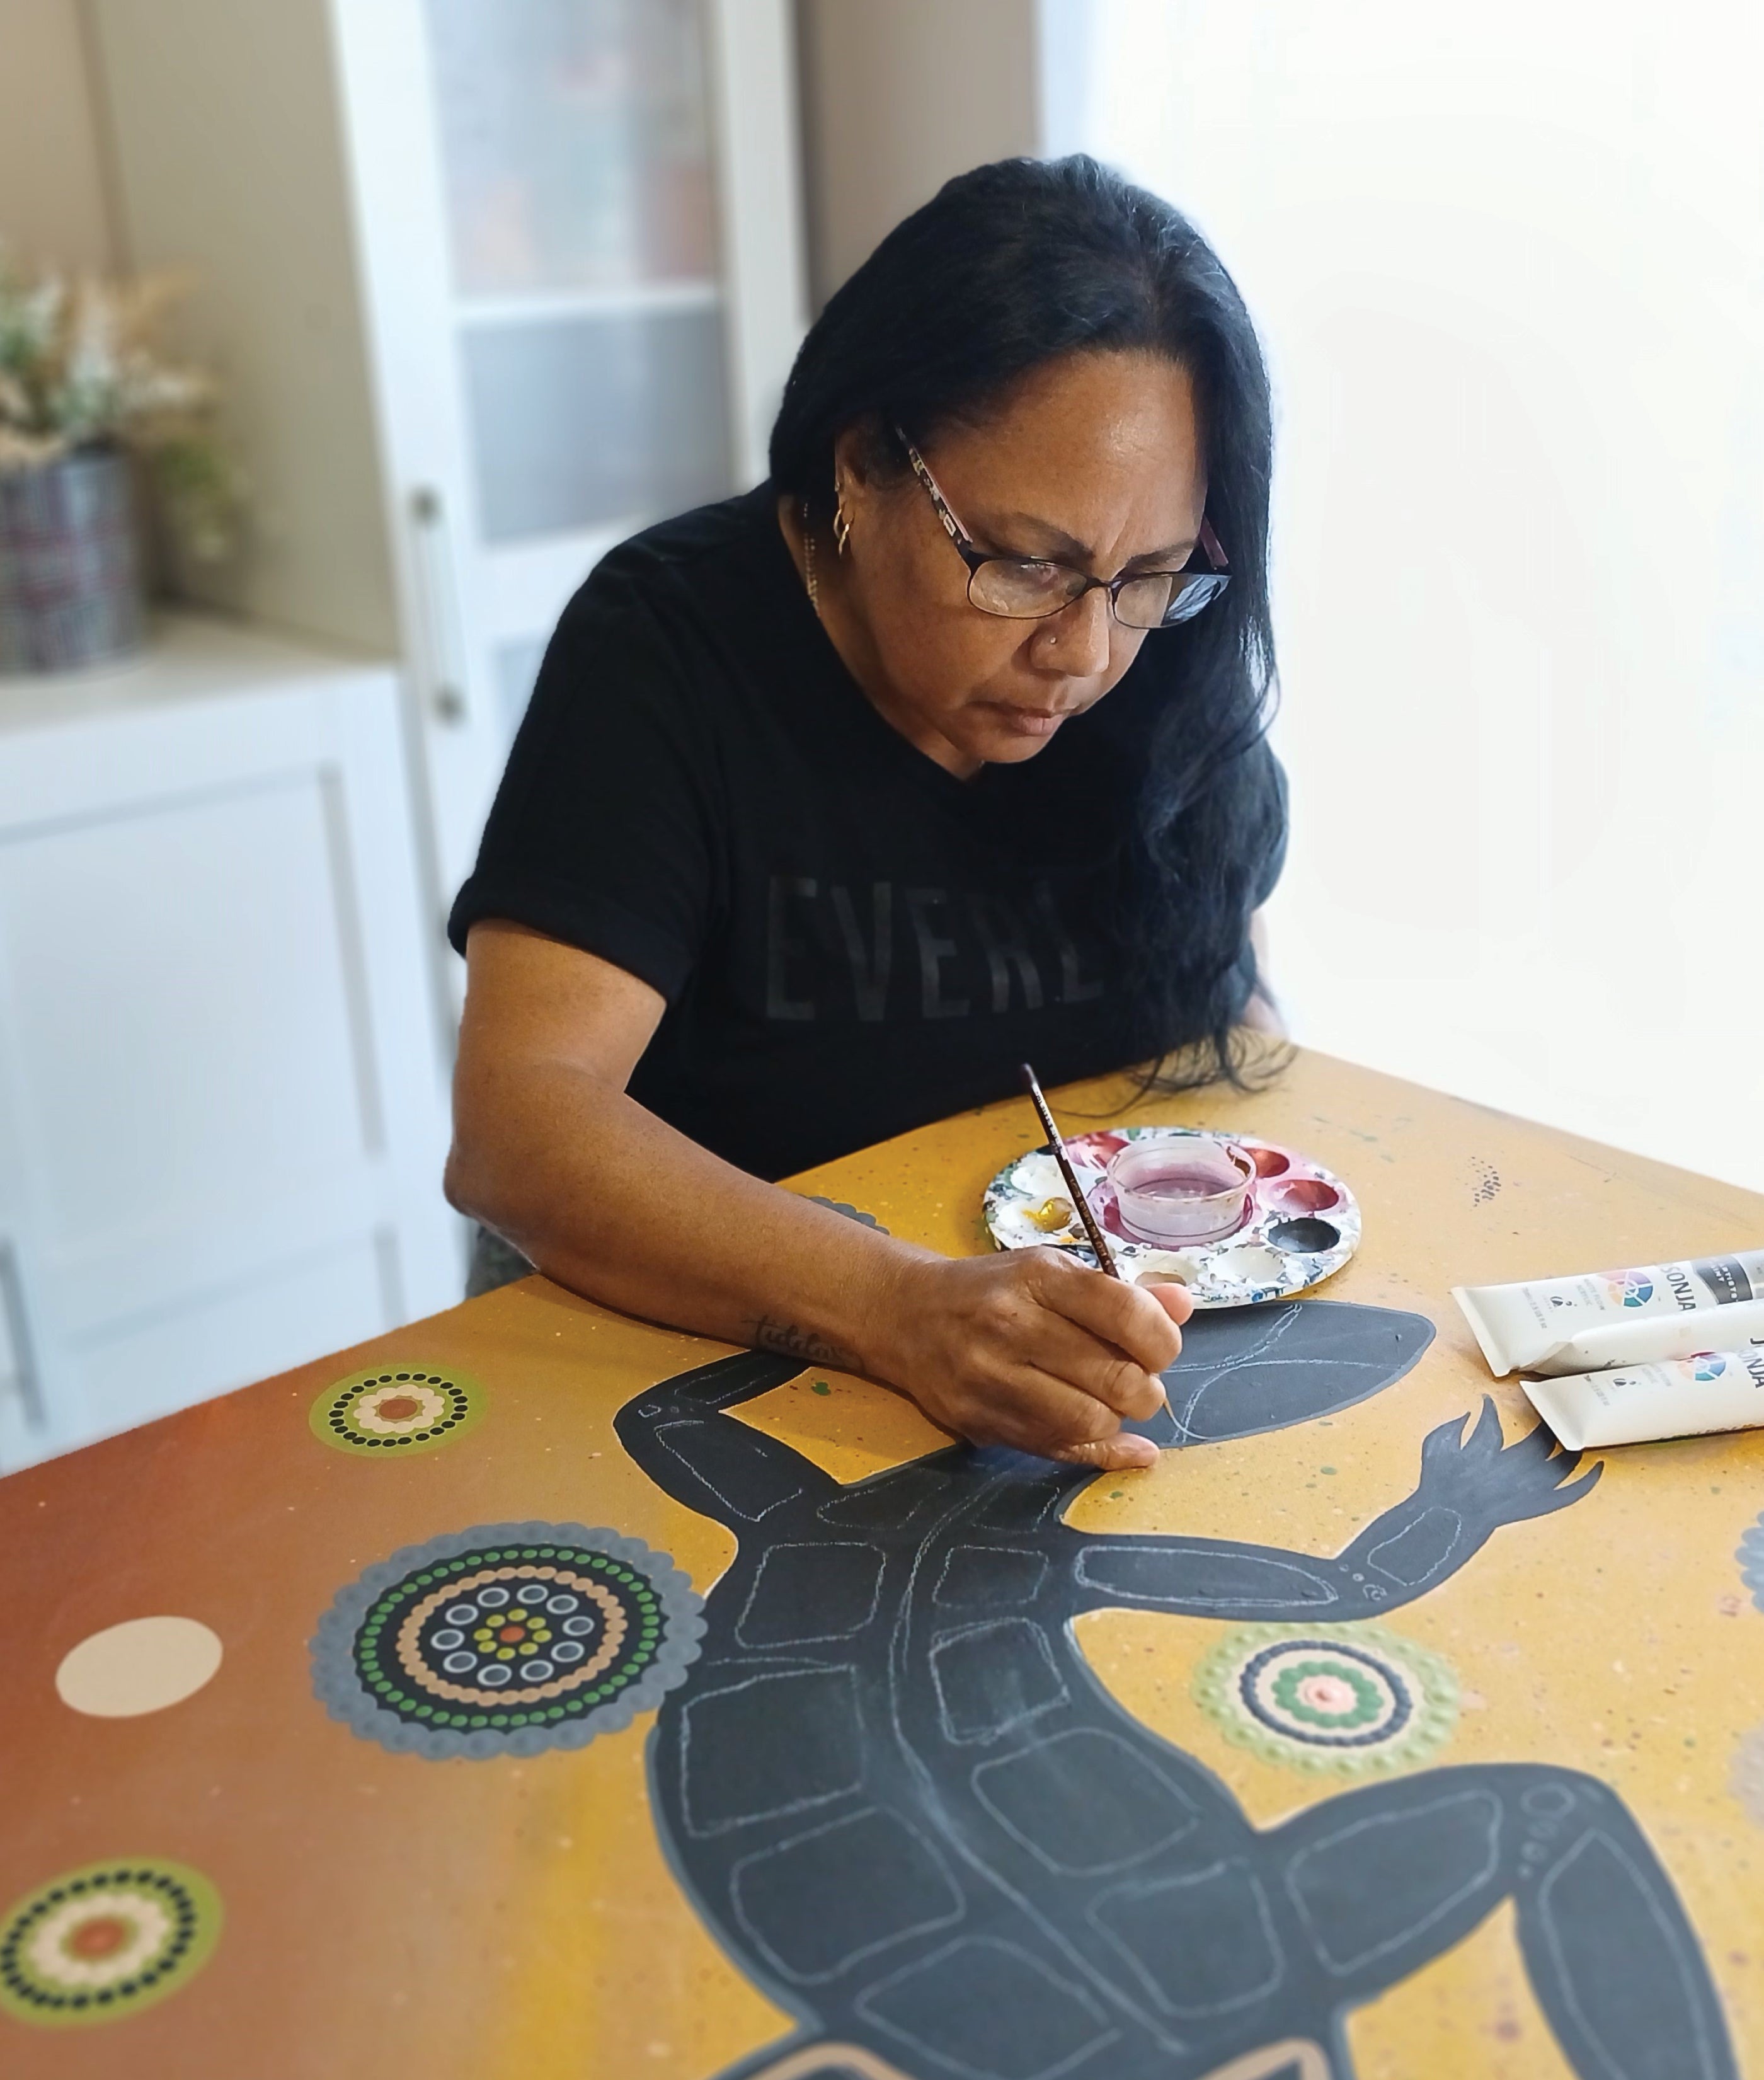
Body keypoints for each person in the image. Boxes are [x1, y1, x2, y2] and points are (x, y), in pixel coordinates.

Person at [444, 156, 1286, 1473]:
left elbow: (1227, 1016)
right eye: (1024, 563)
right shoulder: (670, 645)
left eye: (1150, 575)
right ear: (864, 468)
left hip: (1078, 1386)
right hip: (715, 1387)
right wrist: (899, 1307)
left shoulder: (1160, 654)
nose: (1082, 650)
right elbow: (520, 1128)